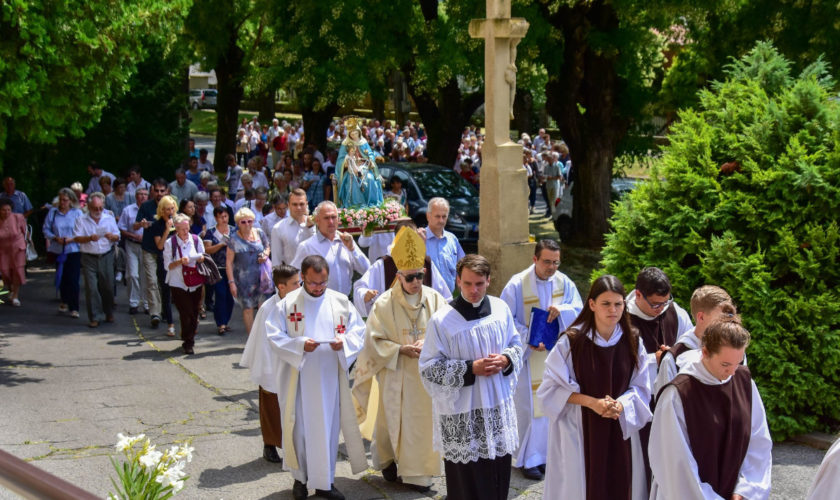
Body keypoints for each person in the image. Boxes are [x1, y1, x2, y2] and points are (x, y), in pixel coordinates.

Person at [537, 275, 652, 500]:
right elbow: (550, 390)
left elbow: (642, 386)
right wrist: (592, 403)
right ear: (592, 305)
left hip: (620, 425)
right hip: (579, 428)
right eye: (606, 304)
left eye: (618, 304)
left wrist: (620, 404)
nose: (613, 310)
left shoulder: (633, 340)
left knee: (620, 483)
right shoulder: (572, 342)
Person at [419, 254, 523, 500]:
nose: (473, 290)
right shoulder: (442, 320)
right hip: (463, 416)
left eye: (479, 283)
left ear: (488, 280)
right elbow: (428, 368)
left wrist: (507, 359)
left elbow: (516, 343)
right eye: (467, 284)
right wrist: (469, 368)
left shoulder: (500, 309)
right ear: (457, 281)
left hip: (496, 410)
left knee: (498, 480)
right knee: (467, 486)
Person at [265, 255, 367, 500]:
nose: (318, 288)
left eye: (322, 283)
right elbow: (273, 335)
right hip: (298, 379)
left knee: (327, 430)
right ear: (302, 278)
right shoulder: (288, 304)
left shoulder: (340, 302)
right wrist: (299, 345)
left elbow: (358, 330)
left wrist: (343, 343)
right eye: (312, 283)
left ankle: (324, 482)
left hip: (330, 378)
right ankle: (299, 481)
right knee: (299, 430)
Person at [353, 227, 448, 491]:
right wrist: (399, 350)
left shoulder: (436, 300)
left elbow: (447, 332)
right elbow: (373, 341)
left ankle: (419, 473)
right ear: (398, 276)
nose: (416, 282)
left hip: (428, 377)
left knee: (422, 424)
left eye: (419, 276)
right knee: (391, 421)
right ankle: (389, 461)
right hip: (397, 374)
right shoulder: (384, 304)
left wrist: (429, 344)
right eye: (409, 278)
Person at [649, 319, 772, 499]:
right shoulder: (678, 394)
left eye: (737, 363)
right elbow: (675, 462)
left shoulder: (743, 382)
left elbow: (758, 440)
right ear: (705, 352)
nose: (732, 372)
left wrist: (745, 490)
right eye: (725, 364)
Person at [500, 239, 583, 480]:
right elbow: (507, 320)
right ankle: (528, 459)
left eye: (556, 262)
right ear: (535, 259)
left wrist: (563, 312)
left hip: (554, 355)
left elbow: (578, 310)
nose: (552, 267)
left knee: (550, 406)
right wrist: (529, 338)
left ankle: (546, 456)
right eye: (546, 262)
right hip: (528, 358)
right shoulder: (517, 285)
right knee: (529, 407)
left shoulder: (564, 282)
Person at [626, 266, 692, 481]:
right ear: (638, 295)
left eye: (666, 301)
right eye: (655, 303)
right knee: (641, 462)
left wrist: (674, 356)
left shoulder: (675, 312)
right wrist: (652, 359)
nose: (661, 308)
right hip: (641, 400)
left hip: (671, 397)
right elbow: (616, 361)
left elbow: (690, 346)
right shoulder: (622, 319)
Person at [240, 264, 300, 464]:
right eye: (295, 283)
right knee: (272, 408)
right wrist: (267, 372)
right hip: (272, 366)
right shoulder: (268, 309)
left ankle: (295, 446)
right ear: (281, 287)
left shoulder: (300, 303)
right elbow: (263, 344)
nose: (299, 286)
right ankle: (270, 445)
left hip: (293, 363)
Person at [353, 220, 451, 316]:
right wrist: (365, 295)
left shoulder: (427, 263)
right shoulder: (383, 264)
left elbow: (444, 295)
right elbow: (360, 287)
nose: (408, 242)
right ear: (396, 240)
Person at [654, 285, 736, 395]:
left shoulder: (734, 351)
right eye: (721, 319)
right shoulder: (673, 360)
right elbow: (665, 406)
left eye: (729, 317)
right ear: (701, 317)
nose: (727, 325)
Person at [290, 201, 370, 296]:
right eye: (326, 218)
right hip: (319, 304)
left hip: (346, 302)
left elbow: (367, 269)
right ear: (317, 220)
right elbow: (293, 279)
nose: (331, 222)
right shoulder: (307, 246)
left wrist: (352, 249)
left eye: (333, 217)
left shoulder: (347, 242)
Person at [72, 193, 121, 327]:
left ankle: (108, 311)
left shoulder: (108, 218)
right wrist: (89, 238)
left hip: (106, 255)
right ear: (88, 207)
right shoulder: (81, 220)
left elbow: (118, 235)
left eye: (100, 208)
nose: (98, 211)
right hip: (89, 257)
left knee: (108, 286)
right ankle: (95, 316)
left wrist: (112, 236)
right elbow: (76, 238)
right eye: (95, 208)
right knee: (92, 288)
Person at [163, 214, 206, 355]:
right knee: (186, 312)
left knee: (194, 312)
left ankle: (189, 336)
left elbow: (203, 256)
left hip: (195, 281)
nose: (185, 232)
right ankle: (188, 342)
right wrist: (180, 261)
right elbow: (167, 266)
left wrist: (199, 258)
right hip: (178, 283)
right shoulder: (170, 243)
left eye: (187, 228)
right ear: (176, 229)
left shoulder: (196, 239)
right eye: (182, 229)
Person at [226, 207, 270, 335]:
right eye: (243, 222)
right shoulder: (233, 239)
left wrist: (265, 255)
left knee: (264, 308)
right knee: (248, 309)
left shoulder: (259, 232)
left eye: (250, 221)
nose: (247, 224)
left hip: (262, 277)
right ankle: (251, 339)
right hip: (243, 281)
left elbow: (267, 247)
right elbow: (228, 262)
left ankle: (263, 337)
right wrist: (231, 282)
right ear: (238, 223)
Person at [43, 188, 85, 317]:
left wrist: (72, 239)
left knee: (73, 278)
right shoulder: (53, 212)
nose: (62, 203)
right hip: (58, 249)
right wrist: (55, 238)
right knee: (62, 277)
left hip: (74, 249)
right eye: (61, 200)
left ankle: (74, 307)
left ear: (71, 201)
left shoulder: (77, 213)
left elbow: (83, 230)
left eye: (65, 200)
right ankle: (64, 300)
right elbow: (46, 229)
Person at [135, 178, 169, 329]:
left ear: (167, 191)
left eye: (162, 191)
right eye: (157, 191)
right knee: (151, 280)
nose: (159, 193)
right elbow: (135, 225)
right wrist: (142, 224)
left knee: (164, 282)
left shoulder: (170, 205)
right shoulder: (146, 206)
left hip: (166, 250)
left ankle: (164, 310)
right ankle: (155, 313)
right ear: (152, 191)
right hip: (149, 248)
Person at [336, 116, 383, 208]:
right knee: (352, 180)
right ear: (349, 134)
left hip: (364, 167)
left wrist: (370, 159)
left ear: (359, 132)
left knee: (370, 179)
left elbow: (370, 154)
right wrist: (346, 160)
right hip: (351, 169)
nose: (354, 135)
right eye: (352, 133)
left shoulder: (363, 142)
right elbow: (340, 159)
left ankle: (371, 204)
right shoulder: (345, 144)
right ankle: (356, 205)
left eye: (356, 133)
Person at [203, 207, 236, 335]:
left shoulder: (234, 230)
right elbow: (207, 250)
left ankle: (226, 321)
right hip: (217, 269)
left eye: (226, 216)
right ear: (216, 218)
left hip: (232, 269)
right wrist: (221, 244)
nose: (224, 219)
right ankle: (220, 323)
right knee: (220, 294)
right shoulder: (210, 232)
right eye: (221, 217)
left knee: (230, 297)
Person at [150, 195, 179, 336]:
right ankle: (170, 325)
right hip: (164, 263)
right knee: (166, 294)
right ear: (162, 210)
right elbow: (159, 246)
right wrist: (167, 230)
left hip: (180, 261)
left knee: (180, 294)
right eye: (167, 209)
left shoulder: (179, 221)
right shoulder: (157, 225)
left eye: (172, 208)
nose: (170, 211)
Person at [423, 197, 465, 293]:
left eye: (444, 216)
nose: (441, 220)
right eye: (437, 216)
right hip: (427, 300)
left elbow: (463, 268)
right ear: (428, 216)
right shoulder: (420, 239)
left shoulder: (452, 239)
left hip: (449, 300)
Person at [119, 188, 148, 314]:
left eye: (145, 194)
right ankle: (133, 302)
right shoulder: (128, 210)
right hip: (132, 244)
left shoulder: (151, 209)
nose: (142, 196)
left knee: (145, 275)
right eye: (140, 194)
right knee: (133, 274)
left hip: (146, 245)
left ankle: (147, 303)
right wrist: (133, 235)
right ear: (136, 196)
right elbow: (121, 228)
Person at [270, 189, 315, 267]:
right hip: (292, 276)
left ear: (306, 204)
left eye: (301, 204)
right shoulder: (278, 228)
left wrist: (311, 228)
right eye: (294, 204)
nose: (298, 207)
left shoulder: (315, 225)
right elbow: (276, 261)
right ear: (288, 205)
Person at [0, 198, 28, 306]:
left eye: (8, 210)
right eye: (3, 210)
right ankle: (10, 288)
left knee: (17, 270)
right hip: (3, 248)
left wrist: (29, 242)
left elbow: (25, 231)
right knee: (5, 271)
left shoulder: (18, 217)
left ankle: (15, 295)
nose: (6, 212)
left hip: (18, 247)